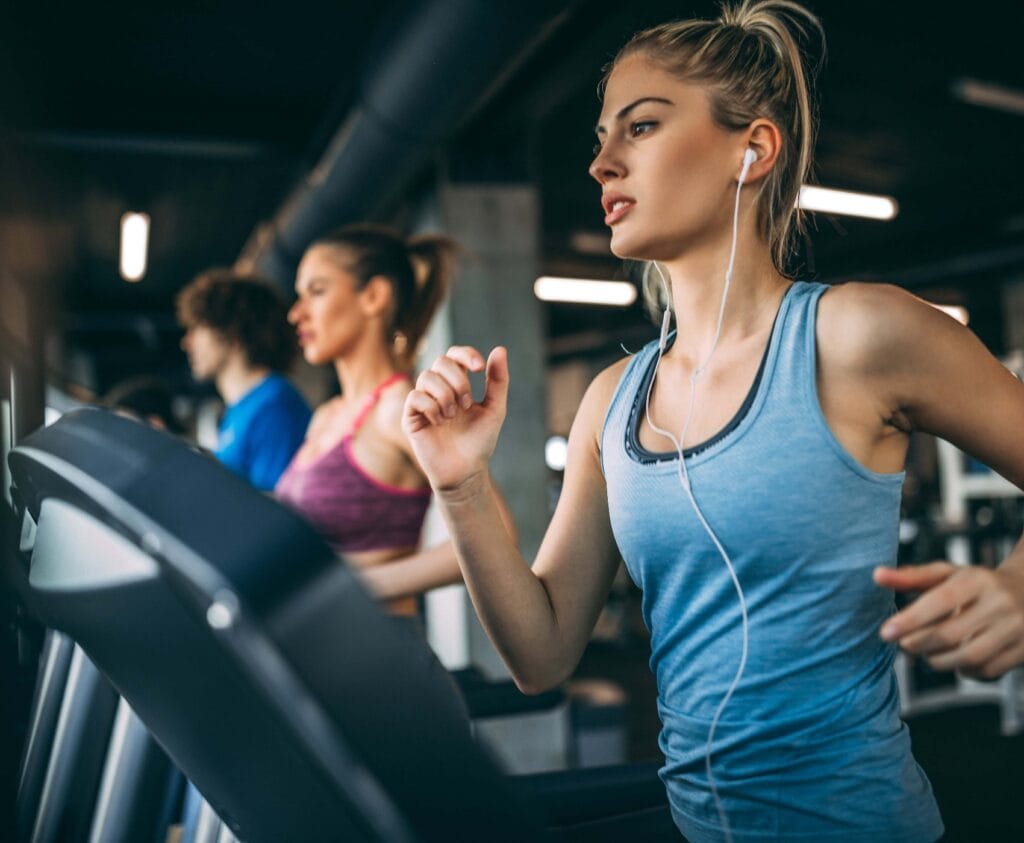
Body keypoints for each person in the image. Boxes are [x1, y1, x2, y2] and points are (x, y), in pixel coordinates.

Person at [400, 2, 1024, 841]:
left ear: (752, 149)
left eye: (642, 126)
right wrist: (461, 482)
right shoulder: (612, 400)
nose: (601, 163)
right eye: (599, 136)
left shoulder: (858, 334)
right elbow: (541, 652)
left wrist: (1017, 587)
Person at [275, 224, 514, 616]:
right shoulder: (326, 416)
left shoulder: (398, 409)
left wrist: (357, 587)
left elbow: (497, 535)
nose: (296, 313)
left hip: (380, 652)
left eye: (316, 292)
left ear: (373, 296)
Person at [176, 268, 311, 491]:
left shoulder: (274, 405)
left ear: (232, 332)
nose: (187, 342)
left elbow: (275, 511)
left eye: (198, 328)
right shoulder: (240, 410)